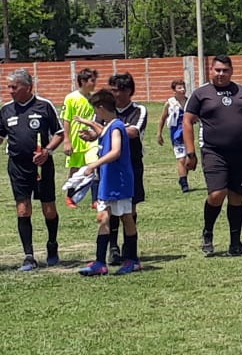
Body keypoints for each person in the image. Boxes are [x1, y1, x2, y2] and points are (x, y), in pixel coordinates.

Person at [183, 54, 242, 257]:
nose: (221, 74)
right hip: (213, 152)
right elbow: (187, 122)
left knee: (236, 196)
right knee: (217, 194)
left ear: (231, 71)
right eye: (217, 70)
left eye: (225, 70)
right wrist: (190, 152)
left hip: (240, 152)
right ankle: (208, 231)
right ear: (211, 70)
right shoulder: (201, 93)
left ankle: (235, 244)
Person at [0, 69, 64, 271]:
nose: (10, 91)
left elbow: (59, 133)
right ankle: (29, 256)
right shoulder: (6, 110)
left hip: (43, 166)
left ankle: (52, 245)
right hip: (18, 166)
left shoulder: (44, 106)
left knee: (49, 209)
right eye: (9, 87)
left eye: (14, 87)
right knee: (22, 208)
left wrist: (47, 150)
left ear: (27, 87)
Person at [76, 89, 141, 276]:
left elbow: (116, 151)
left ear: (101, 108)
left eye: (95, 111)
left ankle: (132, 259)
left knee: (126, 217)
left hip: (119, 181)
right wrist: (89, 125)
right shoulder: (111, 125)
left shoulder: (117, 126)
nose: (95, 114)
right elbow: (102, 132)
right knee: (103, 218)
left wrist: (93, 165)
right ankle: (99, 262)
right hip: (107, 181)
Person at [98, 73, 147, 266]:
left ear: (127, 91)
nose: (113, 94)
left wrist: (108, 129)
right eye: (111, 89)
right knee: (108, 209)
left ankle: (129, 250)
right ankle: (113, 248)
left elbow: (133, 132)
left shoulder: (138, 110)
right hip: (108, 166)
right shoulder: (106, 111)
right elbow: (98, 132)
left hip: (131, 166)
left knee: (129, 209)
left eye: (116, 90)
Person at [60, 68, 99, 209]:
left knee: (95, 166)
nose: (95, 84)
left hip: (92, 139)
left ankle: (95, 200)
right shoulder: (71, 98)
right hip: (76, 140)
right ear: (83, 81)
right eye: (92, 81)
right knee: (75, 169)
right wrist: (67, 140)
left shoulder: (94, 98)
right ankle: (71, 197)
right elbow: (66, 119)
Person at [156, 80, 192, 193]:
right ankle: (184, 183)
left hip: (188, 132)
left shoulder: (189, 102)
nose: (182, 90)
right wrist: (159, 133)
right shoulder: (170, 103)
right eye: (179, 88)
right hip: (176, 133)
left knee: (189, 159)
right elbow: (162, 118)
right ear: (174, 90)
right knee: (181, 159)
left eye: (183, 87)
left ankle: (183, 178)